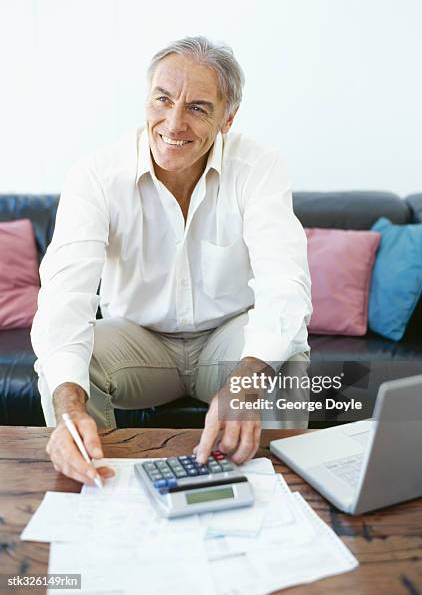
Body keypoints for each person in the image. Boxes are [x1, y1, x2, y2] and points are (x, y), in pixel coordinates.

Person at [31, 36, 312, 487]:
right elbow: (66, 295)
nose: (174, 122)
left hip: (227, 339)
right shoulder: (96, 173)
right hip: (140, 342)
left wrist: (242, 384)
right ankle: (99, 481)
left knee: (287, 352)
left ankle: (278, 495)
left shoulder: (259, 166)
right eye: (163, 99)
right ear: (147, 99)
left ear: (227, 118)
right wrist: (67, 404)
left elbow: (286, 284)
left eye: (198, 108)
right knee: (62, 369)